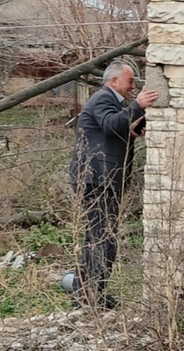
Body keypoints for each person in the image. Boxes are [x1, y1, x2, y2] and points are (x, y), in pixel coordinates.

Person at [68, 61, 159, 309]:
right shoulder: (102, 98)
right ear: (114, 81)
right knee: (101, 238)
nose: (133, 86)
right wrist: (138, 105)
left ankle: (90, 293)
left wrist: (137, 121)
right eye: (130, 81)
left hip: (103, 179)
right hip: (96, 179)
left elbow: (117, 128)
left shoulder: (112, 102)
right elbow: (110, 124)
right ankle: (88, 296)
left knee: (101, 238)